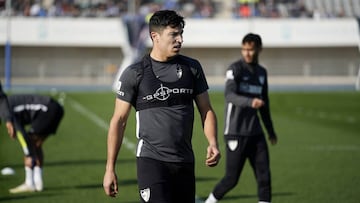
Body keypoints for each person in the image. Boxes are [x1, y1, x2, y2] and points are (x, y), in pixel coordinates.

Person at [103, 10, 221, 203]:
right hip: (152, 161)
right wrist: (110, 169)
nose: (180, 39)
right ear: (155, 36)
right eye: (173, 34)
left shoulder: (192, 68)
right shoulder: (135, 73)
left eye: (181, 34)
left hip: (185, 161)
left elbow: (206, 109)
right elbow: (119, 121)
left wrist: (213, 143)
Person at [205, 33, 278, 203]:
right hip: (235, 132)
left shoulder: (262, 73)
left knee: (264, 178)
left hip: (256, 134)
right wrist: (250, 101)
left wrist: (270, 131)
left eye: (251, 49)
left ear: (259, 49)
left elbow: (264, 104)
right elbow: (229, 95)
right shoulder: (235, 69)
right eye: (244, 49)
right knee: (231, 179)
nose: (247, 53)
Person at [0, 88, 64, 194]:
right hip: (54, 108)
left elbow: (22, 135)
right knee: (36, 145)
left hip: (48, 109)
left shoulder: (5, 111)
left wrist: (27, 153)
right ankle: (38, 182)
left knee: (30, 144)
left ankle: (29, 183)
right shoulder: (5, 105)